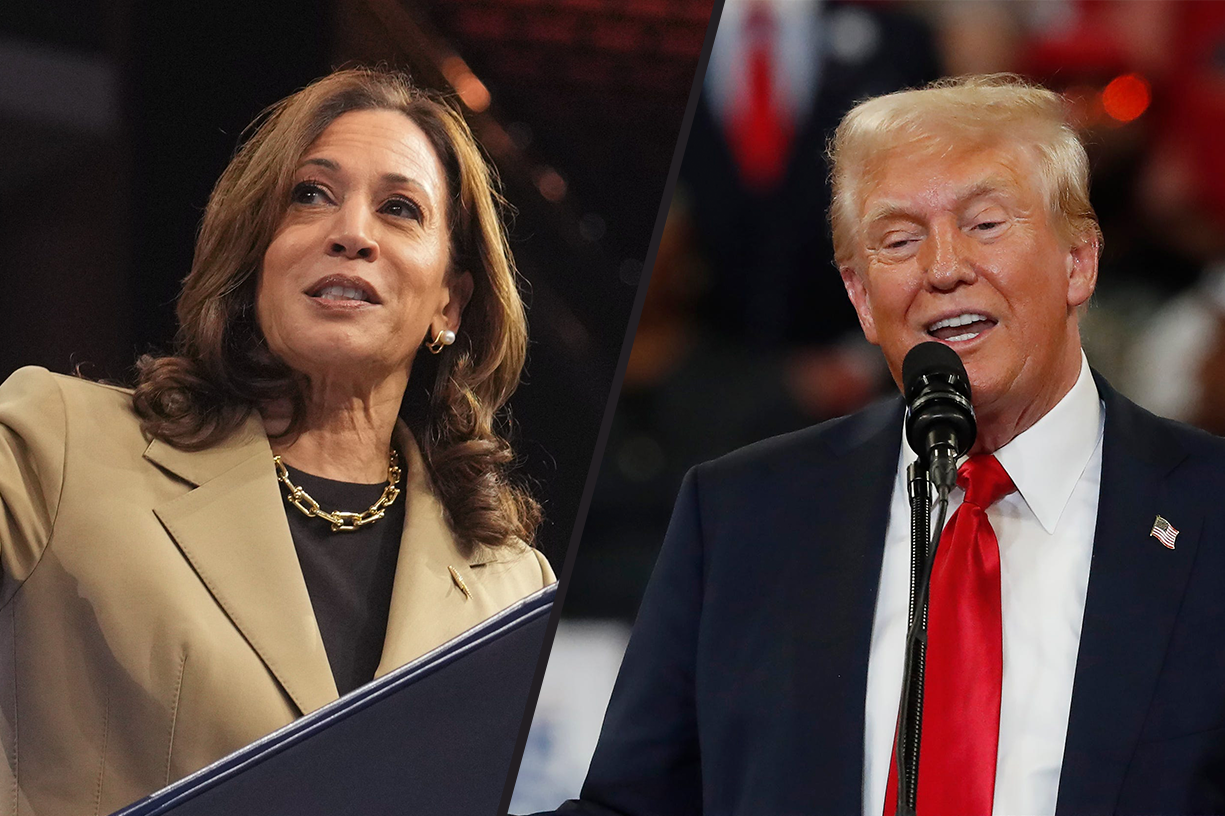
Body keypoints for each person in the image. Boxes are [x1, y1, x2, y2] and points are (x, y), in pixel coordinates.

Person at [547, 75, 1225, 816]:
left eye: (986, 224)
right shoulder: (741, 513)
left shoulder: (1207, 511)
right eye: (898, 240)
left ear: (1077, 262)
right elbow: (633, 807)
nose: (942, 269)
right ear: (862, 298)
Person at [0, 68, 555, 814]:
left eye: (398, 209)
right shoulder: (62, 442)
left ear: (448, 304)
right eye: (310, 195)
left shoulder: (512, 590)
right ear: (257, 253)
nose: (350, 234)